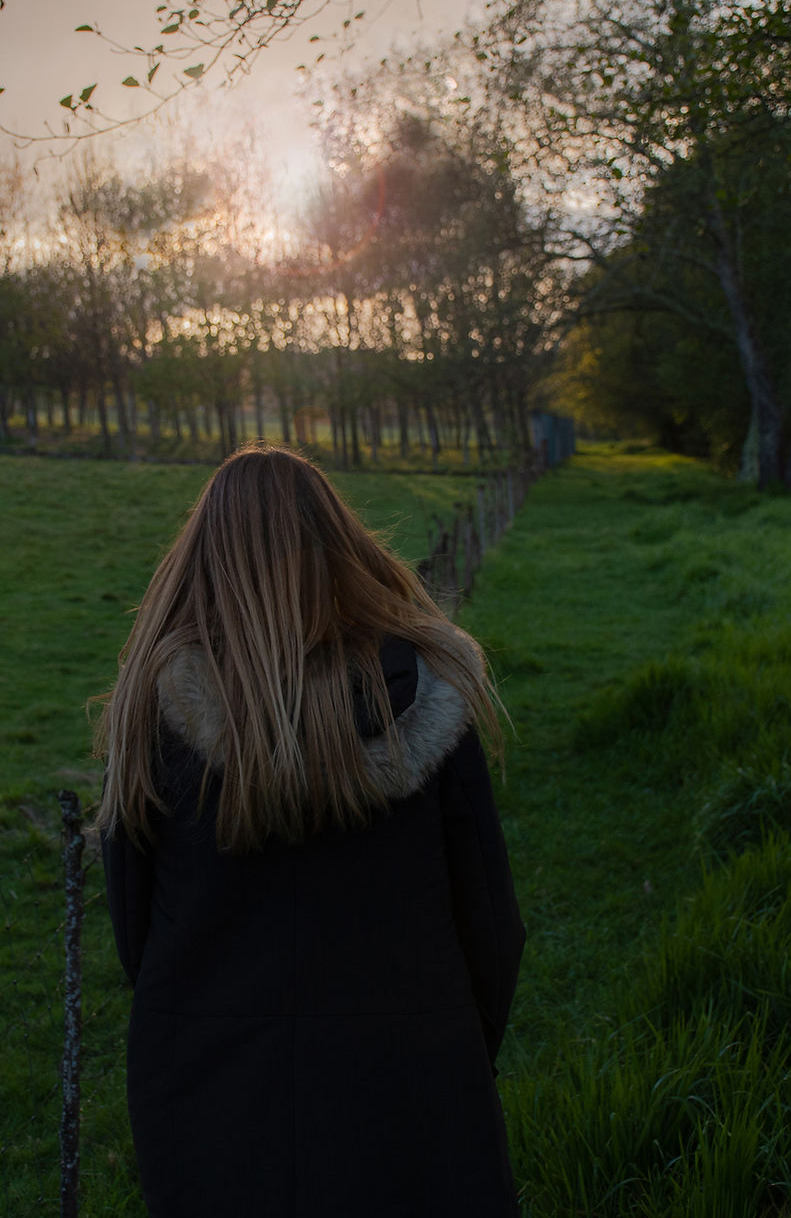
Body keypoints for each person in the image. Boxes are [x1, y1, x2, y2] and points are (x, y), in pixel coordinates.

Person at [97, 442, 525, 1218]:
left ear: (207, 556)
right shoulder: (435, 692)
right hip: (413, 1081)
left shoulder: (152, 706)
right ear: (343, 543)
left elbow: (134, 922)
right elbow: (491, 922)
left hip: (207, 1085)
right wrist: (454, 1048)